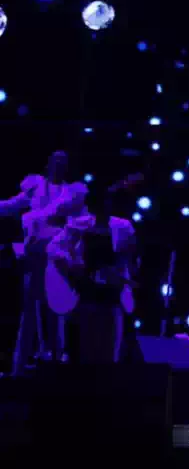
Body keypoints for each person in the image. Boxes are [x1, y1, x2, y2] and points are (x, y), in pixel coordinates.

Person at [0, 151, 88, 373]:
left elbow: (83, 222)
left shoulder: (73, 193)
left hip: (56, 257)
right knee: (29, 311)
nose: (59, 164)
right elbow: (11, 205)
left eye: (64, 162)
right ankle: (19, 367)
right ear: (48, 164)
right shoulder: (36, 186)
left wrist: (74, 253)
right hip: (34, 255)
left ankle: (55, 365)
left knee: (55, 310)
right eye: (56, 160)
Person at [45, 183, 137, 364]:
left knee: (109, 353)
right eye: (100, 204)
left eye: (107, 203)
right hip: (86, 295)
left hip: (111, 296)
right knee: (85, 351)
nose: (105, 207)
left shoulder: (123, 227)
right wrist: (72, 265)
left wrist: (123, 270)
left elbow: (129, 258)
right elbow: (53, 248)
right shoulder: (79, 225)